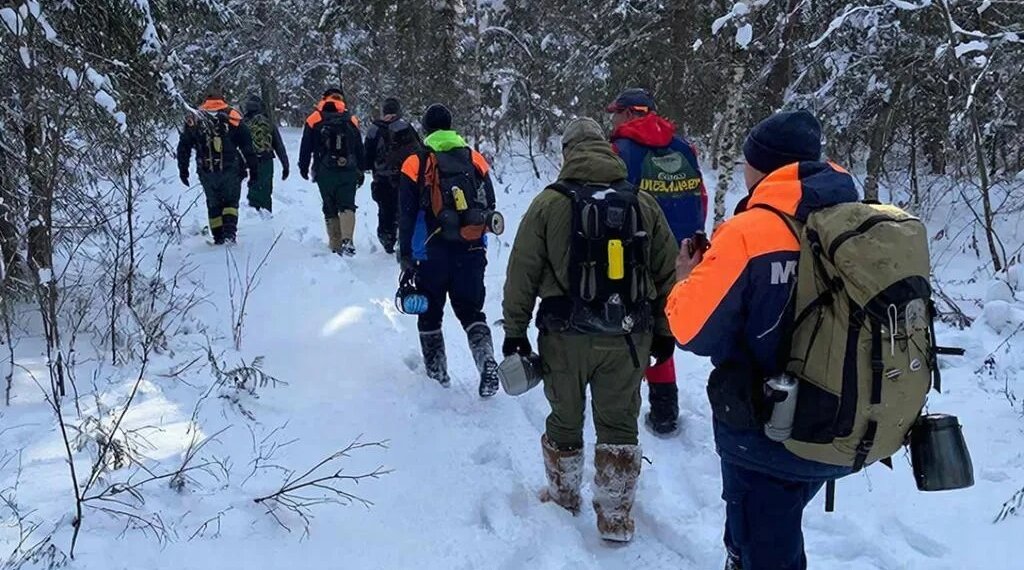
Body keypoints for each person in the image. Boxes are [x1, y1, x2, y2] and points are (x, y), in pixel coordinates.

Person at [666, 110, 856, 570]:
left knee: (765, 548)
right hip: (842, 420)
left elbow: (690, 330)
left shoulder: (749, 232)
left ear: (761, 166)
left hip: (765, 433)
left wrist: (687, 279)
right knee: (773, 530)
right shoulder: (853, 219)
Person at [502, 118, 678, 542]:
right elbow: (668, 273)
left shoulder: (548, 203)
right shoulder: (642, 202)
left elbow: (522, 272)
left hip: (564, 337)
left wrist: (515, 331)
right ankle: (615, 518)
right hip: (628, 337)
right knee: (619, 423)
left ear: (567, 153)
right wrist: (664, 330)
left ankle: (564, 498)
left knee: (565, 416)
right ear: (606, 149)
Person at [607, 87, 707, 436]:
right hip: (683, 251)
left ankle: (620, 400)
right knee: (663, 324)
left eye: (616, 113)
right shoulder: (684, 148)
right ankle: (665, 409)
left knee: (629, 322)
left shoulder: (619, 150)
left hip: (636, 249)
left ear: (630, 113)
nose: (613, 120)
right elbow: (701, 197)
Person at [397, 104, 500, 398]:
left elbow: (406, 213)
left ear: (426, 129)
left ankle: (437, 378)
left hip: (430, 253)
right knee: (471, 311)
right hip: (471, 248)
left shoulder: (415, 162)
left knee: (430, 314)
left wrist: (406, 254)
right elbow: (489, 204)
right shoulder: (475, 158)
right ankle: (486, 360)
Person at [177, 87, 257, 245]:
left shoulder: (196, 117)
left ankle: (218, 236)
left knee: (213, 203)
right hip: (230, 169)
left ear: (205, 101)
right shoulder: (232, 115)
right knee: (231, 202)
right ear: (222, 99)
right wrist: (253, 170)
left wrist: (183, 170)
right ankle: (229, 234)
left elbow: (184, 146)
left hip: (206, 171)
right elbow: (247, 145)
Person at [298, 87, 365, 256]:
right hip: (348, 169)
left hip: (324, 170)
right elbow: (359, 147)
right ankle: (347, 239)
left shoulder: (314, 118)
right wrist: (361, 169)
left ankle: (335, 244)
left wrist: (303, 167)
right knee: (347, 204)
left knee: (329, 206)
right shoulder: (351, 119)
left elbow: (305, 146)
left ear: (324, 98)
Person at [363, 97, 422, 253]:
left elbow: (366, 157)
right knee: (405, 208)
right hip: (405, 176)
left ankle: (387, 239)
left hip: (382, 178)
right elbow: (420, 151)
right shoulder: (407, 127)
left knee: (385, 210)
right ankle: (405, 238)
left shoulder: (374, 129)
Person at [242, 94, 289, 213]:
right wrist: (285, 165)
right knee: (266, 189)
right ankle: (266, 214)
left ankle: (254, 213)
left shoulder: (243, 123)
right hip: (266, 160)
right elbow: (279, 145)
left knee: (253, 187)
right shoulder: (267, 122)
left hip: (250, 161)